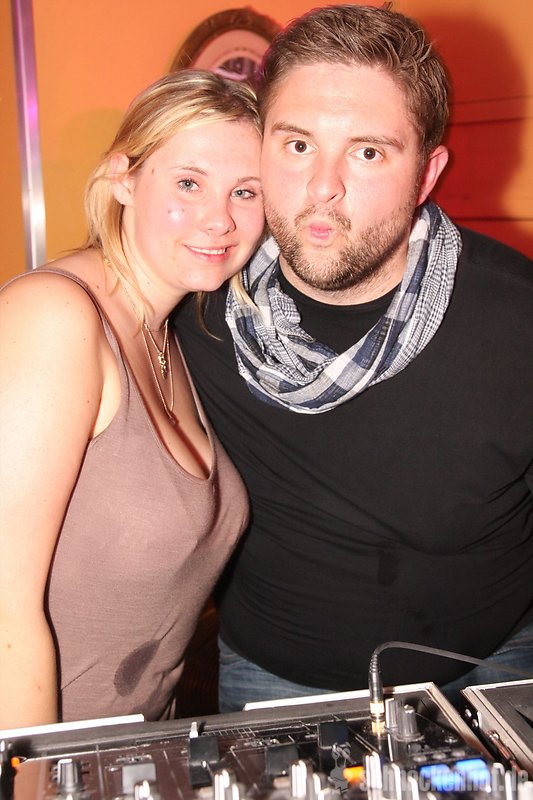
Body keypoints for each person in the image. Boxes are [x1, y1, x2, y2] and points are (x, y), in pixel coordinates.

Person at [174, 5, 533, 713]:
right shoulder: (198, 299)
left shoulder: (516, 319)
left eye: (367, 152)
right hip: (268, 680)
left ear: (425, 174)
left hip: (489, 671)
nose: (323, 187)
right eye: (297, 144)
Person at [0, 70, 265, 728]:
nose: (220, 218)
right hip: (46, 754)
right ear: (123, 178)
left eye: (246, 191)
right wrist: (35, 773)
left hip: (140, 746)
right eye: (188, 183)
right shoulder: (54, 317)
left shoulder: (173, 333)